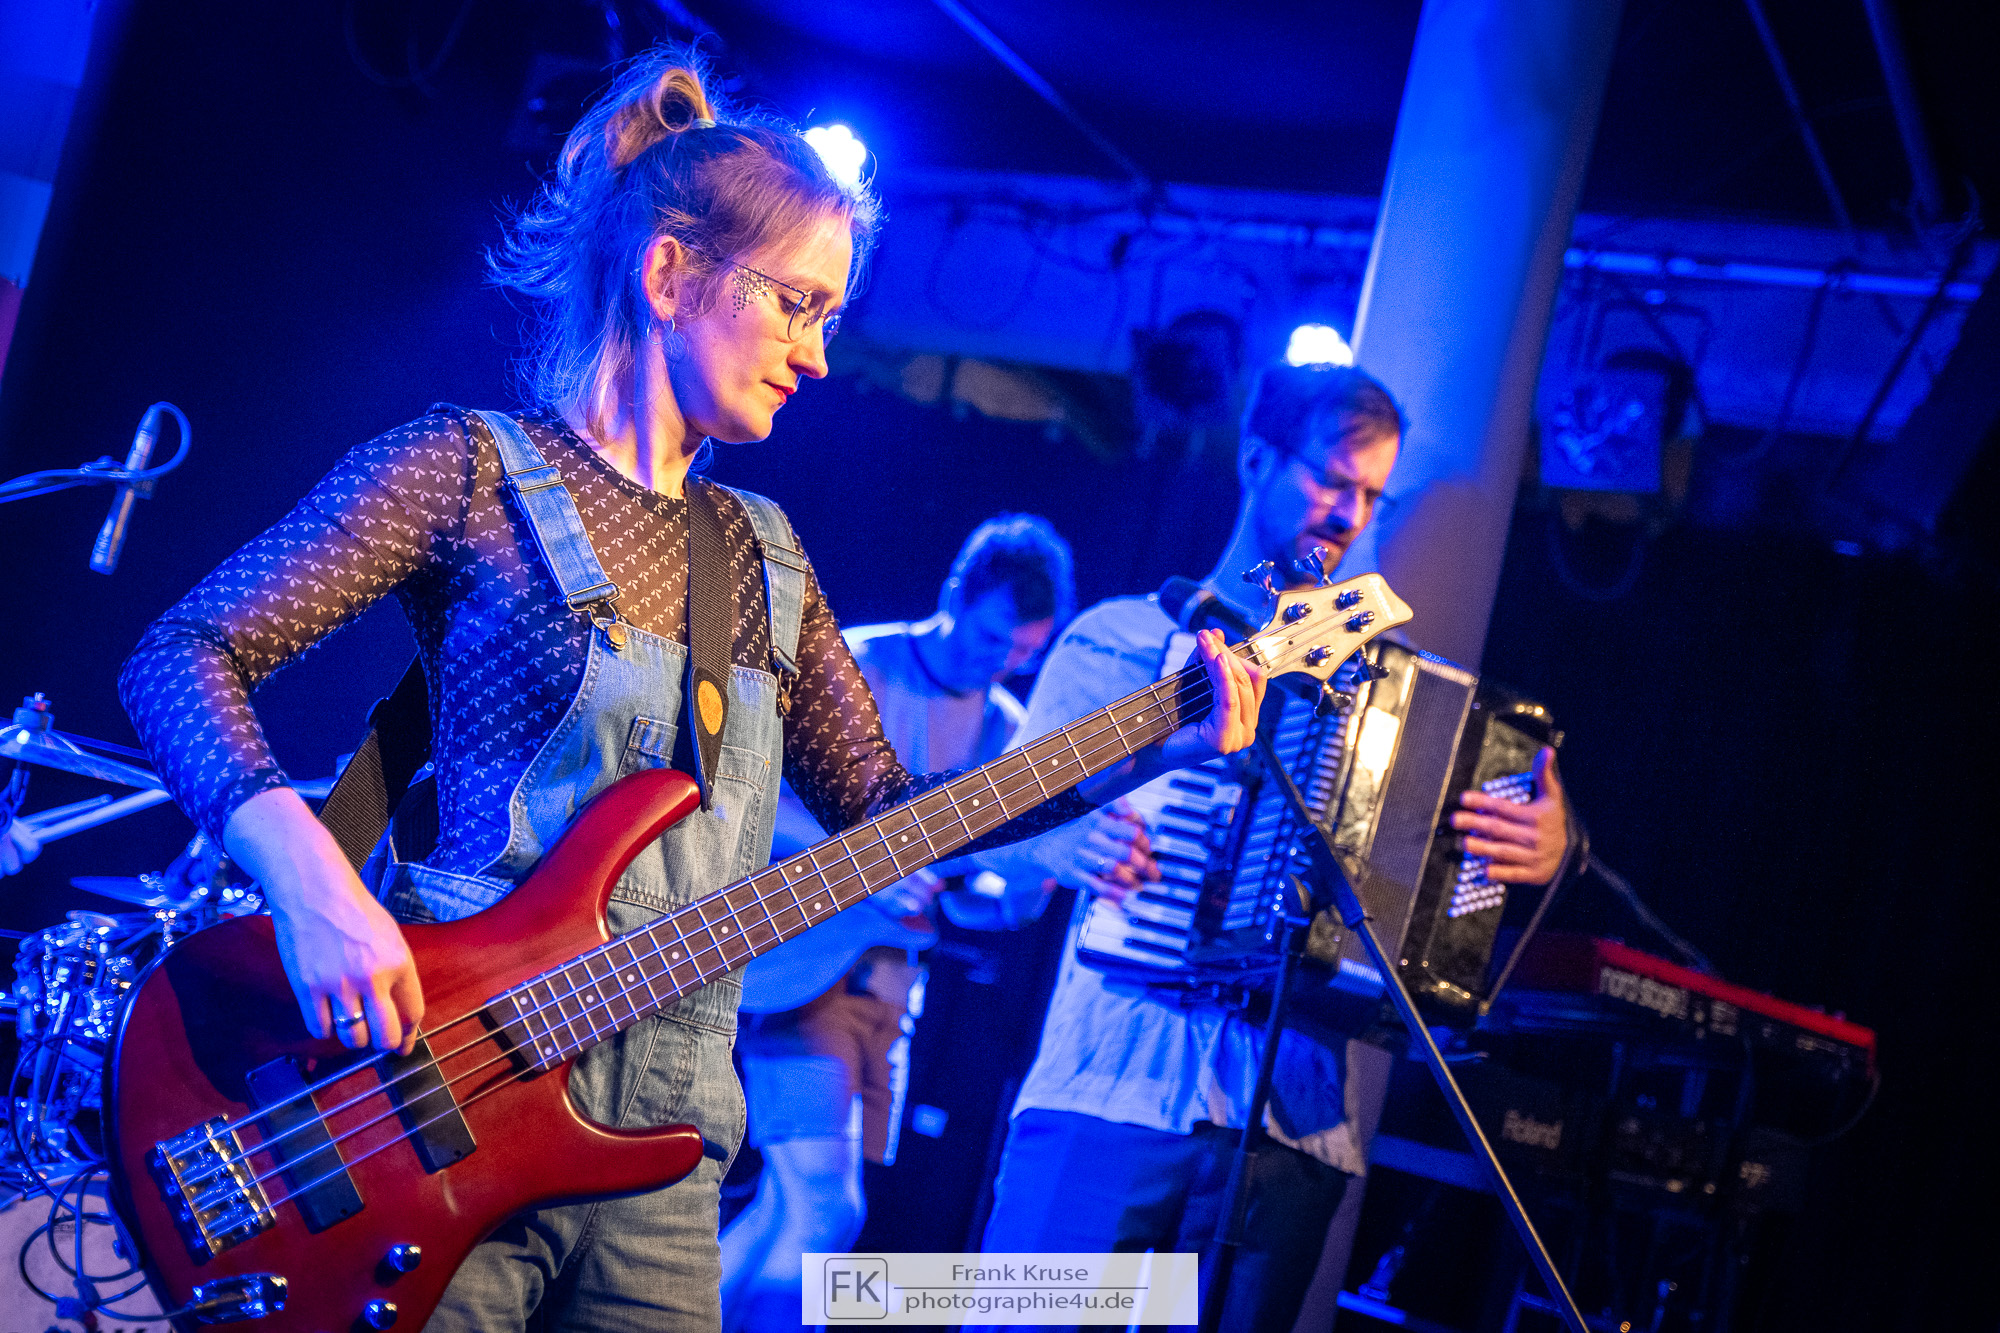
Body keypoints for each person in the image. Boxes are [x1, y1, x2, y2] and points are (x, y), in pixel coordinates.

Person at [115, 48, 1267, 1333]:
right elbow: (179, 654)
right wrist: (313, 886)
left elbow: (891, 808)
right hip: (440, 1114)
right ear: (669, 274)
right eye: (796, 304)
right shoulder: (467, 471)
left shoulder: (766, 557)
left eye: (829, 317)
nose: (816, 355)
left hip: (667, 1142)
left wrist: (1158, 745)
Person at [968, 362, 1570, 1333]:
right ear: (1256, 458)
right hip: (1108, 1086)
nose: (1348, 513)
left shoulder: (1388, 692)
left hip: (1293, 1127)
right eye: (1331, 478)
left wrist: (1546, 842)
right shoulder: (1122, 638)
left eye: (1370, 494)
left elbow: (1457, 861)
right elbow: (980, 820)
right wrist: (1063, 842)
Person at [719, 513, 1077, 1330]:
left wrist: (1021, 884)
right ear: (955, 595)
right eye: (992, 638)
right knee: (826, 1209)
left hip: (888, 991)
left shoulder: (1007, 730)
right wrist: (869, 869)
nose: (1003, 663)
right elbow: (750, 800)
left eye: (1023, 653)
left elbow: (970, 897)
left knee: (794, 1211)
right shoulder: (858, 666)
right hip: (801, 967)